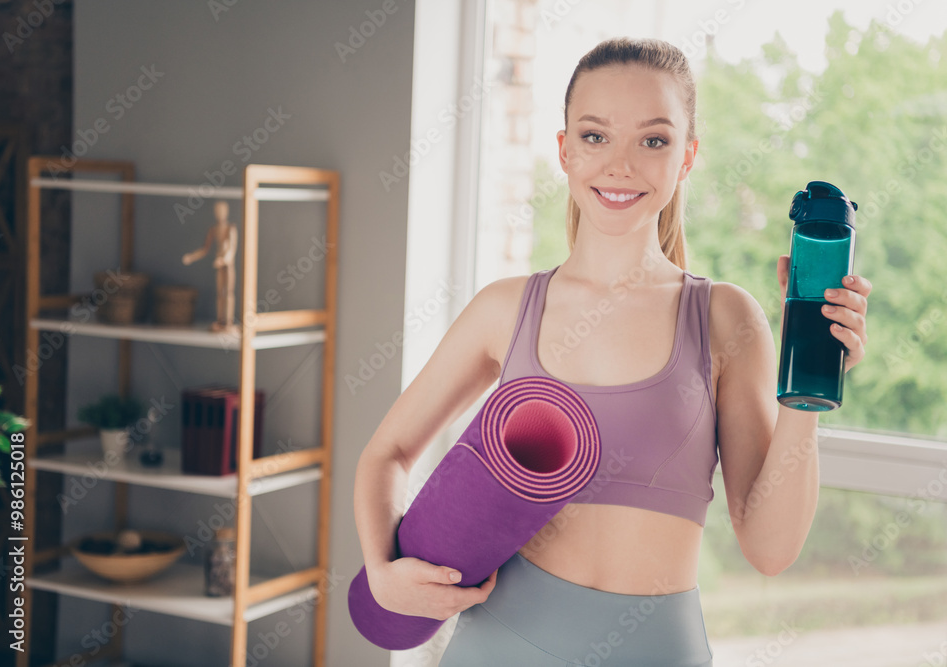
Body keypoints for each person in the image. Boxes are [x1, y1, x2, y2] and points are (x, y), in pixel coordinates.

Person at [354, 37, 871, 666]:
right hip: (500, 644)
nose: (620, 165)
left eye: (653, 140)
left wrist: (807, 385)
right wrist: (381, 570)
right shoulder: (506, 308)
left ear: (687, 158)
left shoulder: (724, 317)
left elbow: (770, 548)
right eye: (596, 136)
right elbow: (388, 451)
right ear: (565, 151)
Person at [181, 200, 238, 331]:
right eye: (217, 211)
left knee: (228, 293)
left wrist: (224, 259)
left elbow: (231, 248)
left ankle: (228, 322)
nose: (219, 214)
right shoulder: (213, 229)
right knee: (220, 294)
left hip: (227, 265)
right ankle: (220, 321)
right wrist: (191, 257)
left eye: (222, 211)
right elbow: (205, 249)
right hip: (219, 263)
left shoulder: (231, 228)